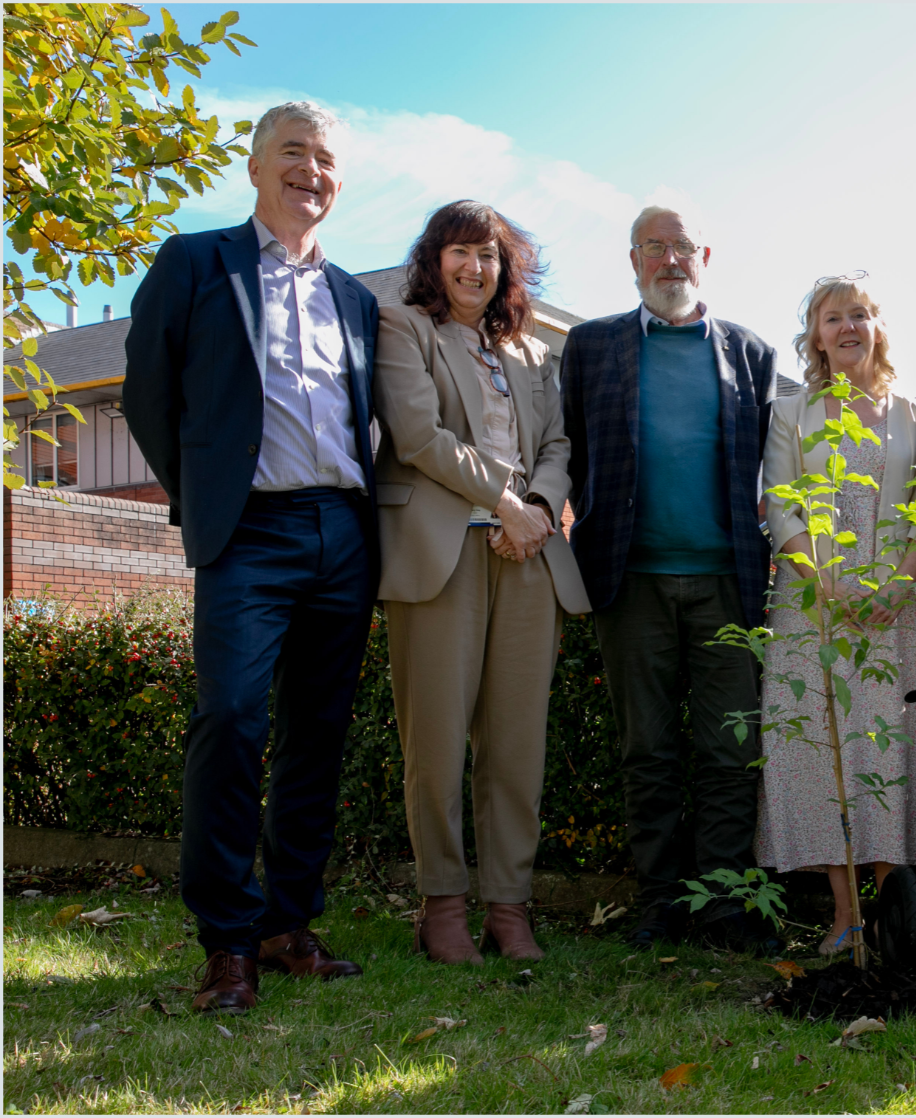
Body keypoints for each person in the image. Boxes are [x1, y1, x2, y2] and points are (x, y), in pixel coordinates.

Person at [123, 102, 376, 1013]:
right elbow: (148, 396)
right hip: (248, 533)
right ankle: (227, 940)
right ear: (257, 166)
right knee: (230, 719)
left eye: (327, 158)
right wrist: (205, 500)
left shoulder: (356, 297)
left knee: (317, 732)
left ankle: (286, 921)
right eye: (294, 153)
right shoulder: (194, 262)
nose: (313, 170)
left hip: (344, 531)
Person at [373, 201, 590, 965]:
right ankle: (441, 907)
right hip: (441, 555)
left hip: (527, 556)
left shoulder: (529, 352)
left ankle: (508, 907)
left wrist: (536, 510)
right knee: (434, 742)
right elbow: (417, 436)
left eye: (489, 255)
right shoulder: (403, 328)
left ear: (506, 269)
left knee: (516, 744)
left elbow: (558, 445)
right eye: (461, 252)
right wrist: (504, 501)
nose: (475, 267)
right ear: (435, 260)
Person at [560, 205, 778, 949]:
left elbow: (766, 467)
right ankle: (659, 900)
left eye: (682, 246)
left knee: (730, 751)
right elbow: (572, 453)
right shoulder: (591, 346)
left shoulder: (751, 352)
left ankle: (720, 903)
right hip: (630, 582)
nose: (669, 259)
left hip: (726, 582)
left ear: (704, 257)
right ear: (633, 260)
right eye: (653, 247)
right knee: (646, 751)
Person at [753, 274, 916, 955]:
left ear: (878, 326)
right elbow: (781, 506)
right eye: (832, 318)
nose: (847, 327)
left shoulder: (914, 414)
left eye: (859, 314)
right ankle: (845, 916)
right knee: (818, 746)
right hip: (812, 608)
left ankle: (893, 916)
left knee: (890, 747)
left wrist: (897, 587)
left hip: (897, 611)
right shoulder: (790, 413)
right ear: (814, 336)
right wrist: (825, 586)